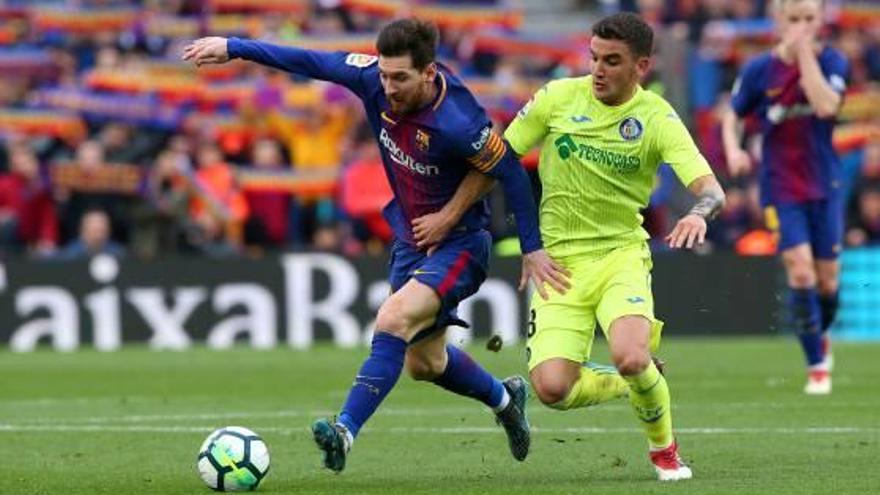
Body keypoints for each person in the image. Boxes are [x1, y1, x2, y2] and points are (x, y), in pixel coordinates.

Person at [184, 18, 569, 472]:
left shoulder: (459, 120)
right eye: (384, 75)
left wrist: (531, 245)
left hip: (462, 244)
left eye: (399, 77)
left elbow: (508, 170)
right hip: (410, 240)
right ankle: (506, 399)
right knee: (424, 363)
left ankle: (344, 431)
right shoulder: (373, 78)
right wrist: (234, 45)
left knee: (390, 318)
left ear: (429, 72)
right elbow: (311, 60)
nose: (388, 87)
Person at [502, 12, 725, 481]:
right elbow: (499, 161)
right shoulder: (558, 98)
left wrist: (695, 213)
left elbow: (712, 190)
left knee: (630, 354)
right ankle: (634, 384)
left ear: (641, 66)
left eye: (612, 61)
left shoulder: (657, 117)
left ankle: (665, 452)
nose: (598, 69)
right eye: (594, 58)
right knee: (552, 389)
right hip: (557, 265)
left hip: (619, 256)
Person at [722, 0, 849, 395]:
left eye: (809, 19)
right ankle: (816, 368)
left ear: (820, 21)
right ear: (778, 21)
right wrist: (734, 150)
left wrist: (805, 56)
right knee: (800, 271)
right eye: (793, 19)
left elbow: (827, 105)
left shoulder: (832, 62)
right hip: (780, 186)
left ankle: (820, 337)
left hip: (824, 185)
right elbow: (733, 114)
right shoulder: (759, 69)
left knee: (827, 284)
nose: (801, 27)